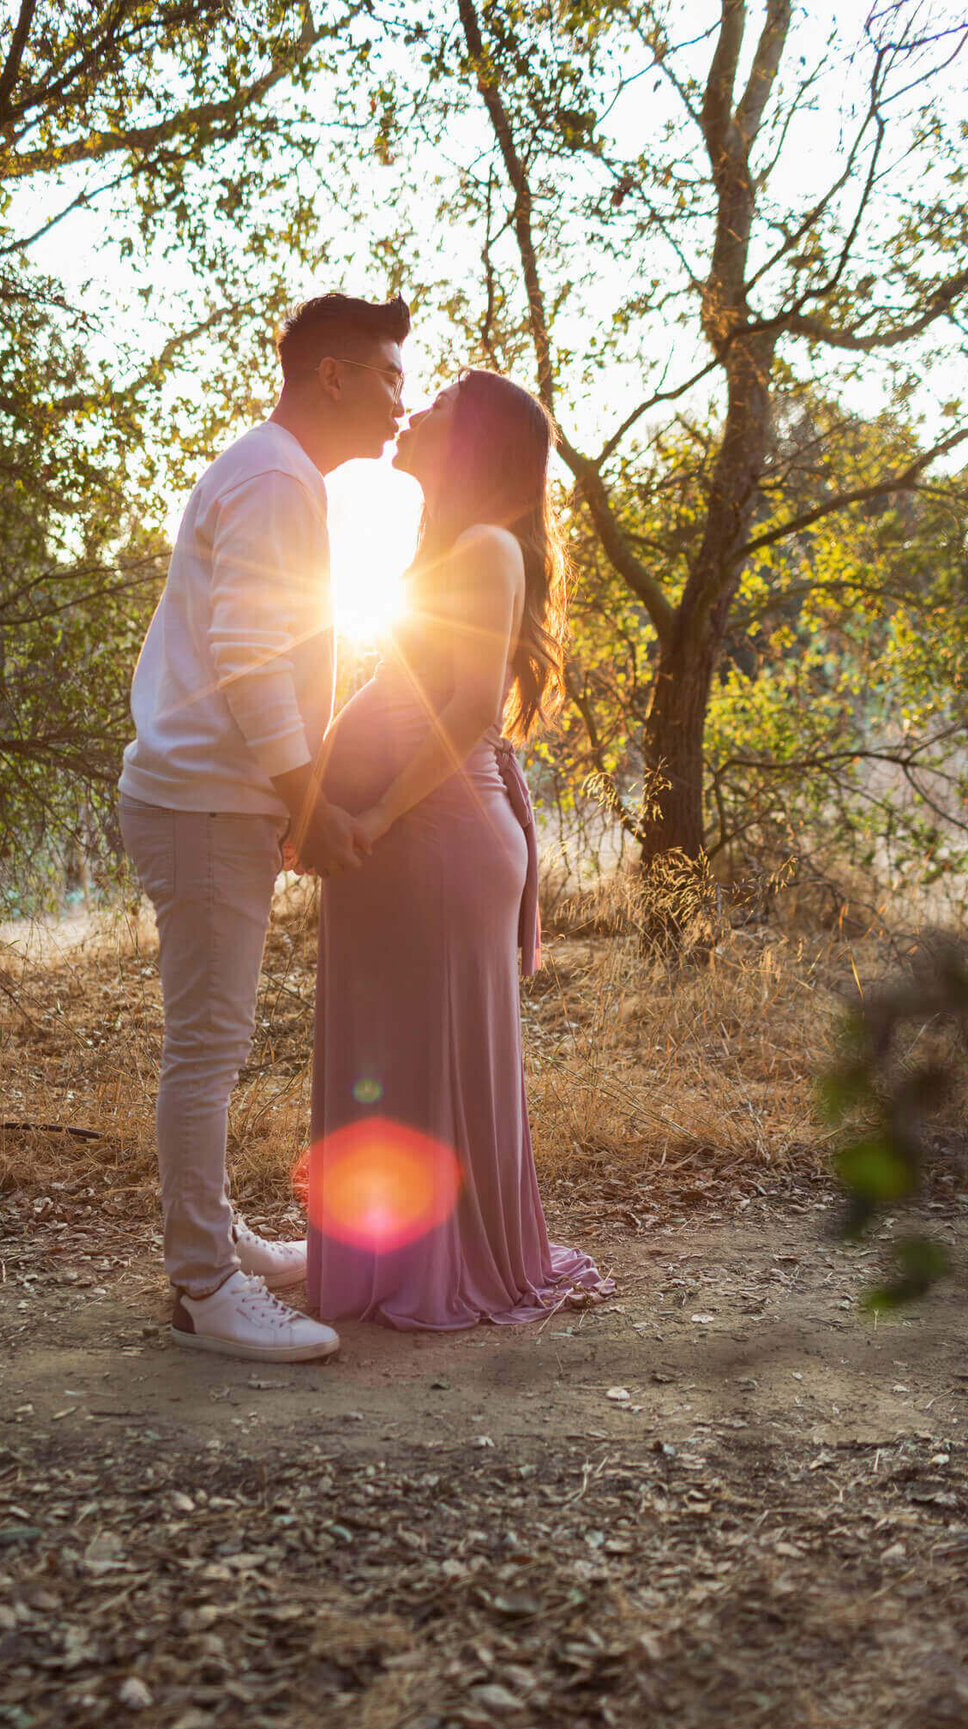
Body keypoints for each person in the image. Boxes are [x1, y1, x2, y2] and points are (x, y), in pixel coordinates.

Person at [119, 292, 410, 1361]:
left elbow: (262, 657)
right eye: (384, 375)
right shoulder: (278, 477)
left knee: (213, 1043)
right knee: (206, 1049)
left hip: (207, 796)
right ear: (328, 374)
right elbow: (246, 658)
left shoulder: (276, 474)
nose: (399, 402)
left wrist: (289, 797)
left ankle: (219, 1242)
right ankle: (205, 1291)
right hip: (199, 800)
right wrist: (308, 803)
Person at [308, 369, 614, 1328]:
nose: (415, 413)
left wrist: (370, 815)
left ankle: (436, 1270)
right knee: (392, 1047)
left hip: (435, 838)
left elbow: (470, 709)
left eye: (437, 405)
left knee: (424, 1050)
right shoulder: (451, 550)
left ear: (471, 443)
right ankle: (390, 1258)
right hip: (407, 839)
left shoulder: (483, 548)